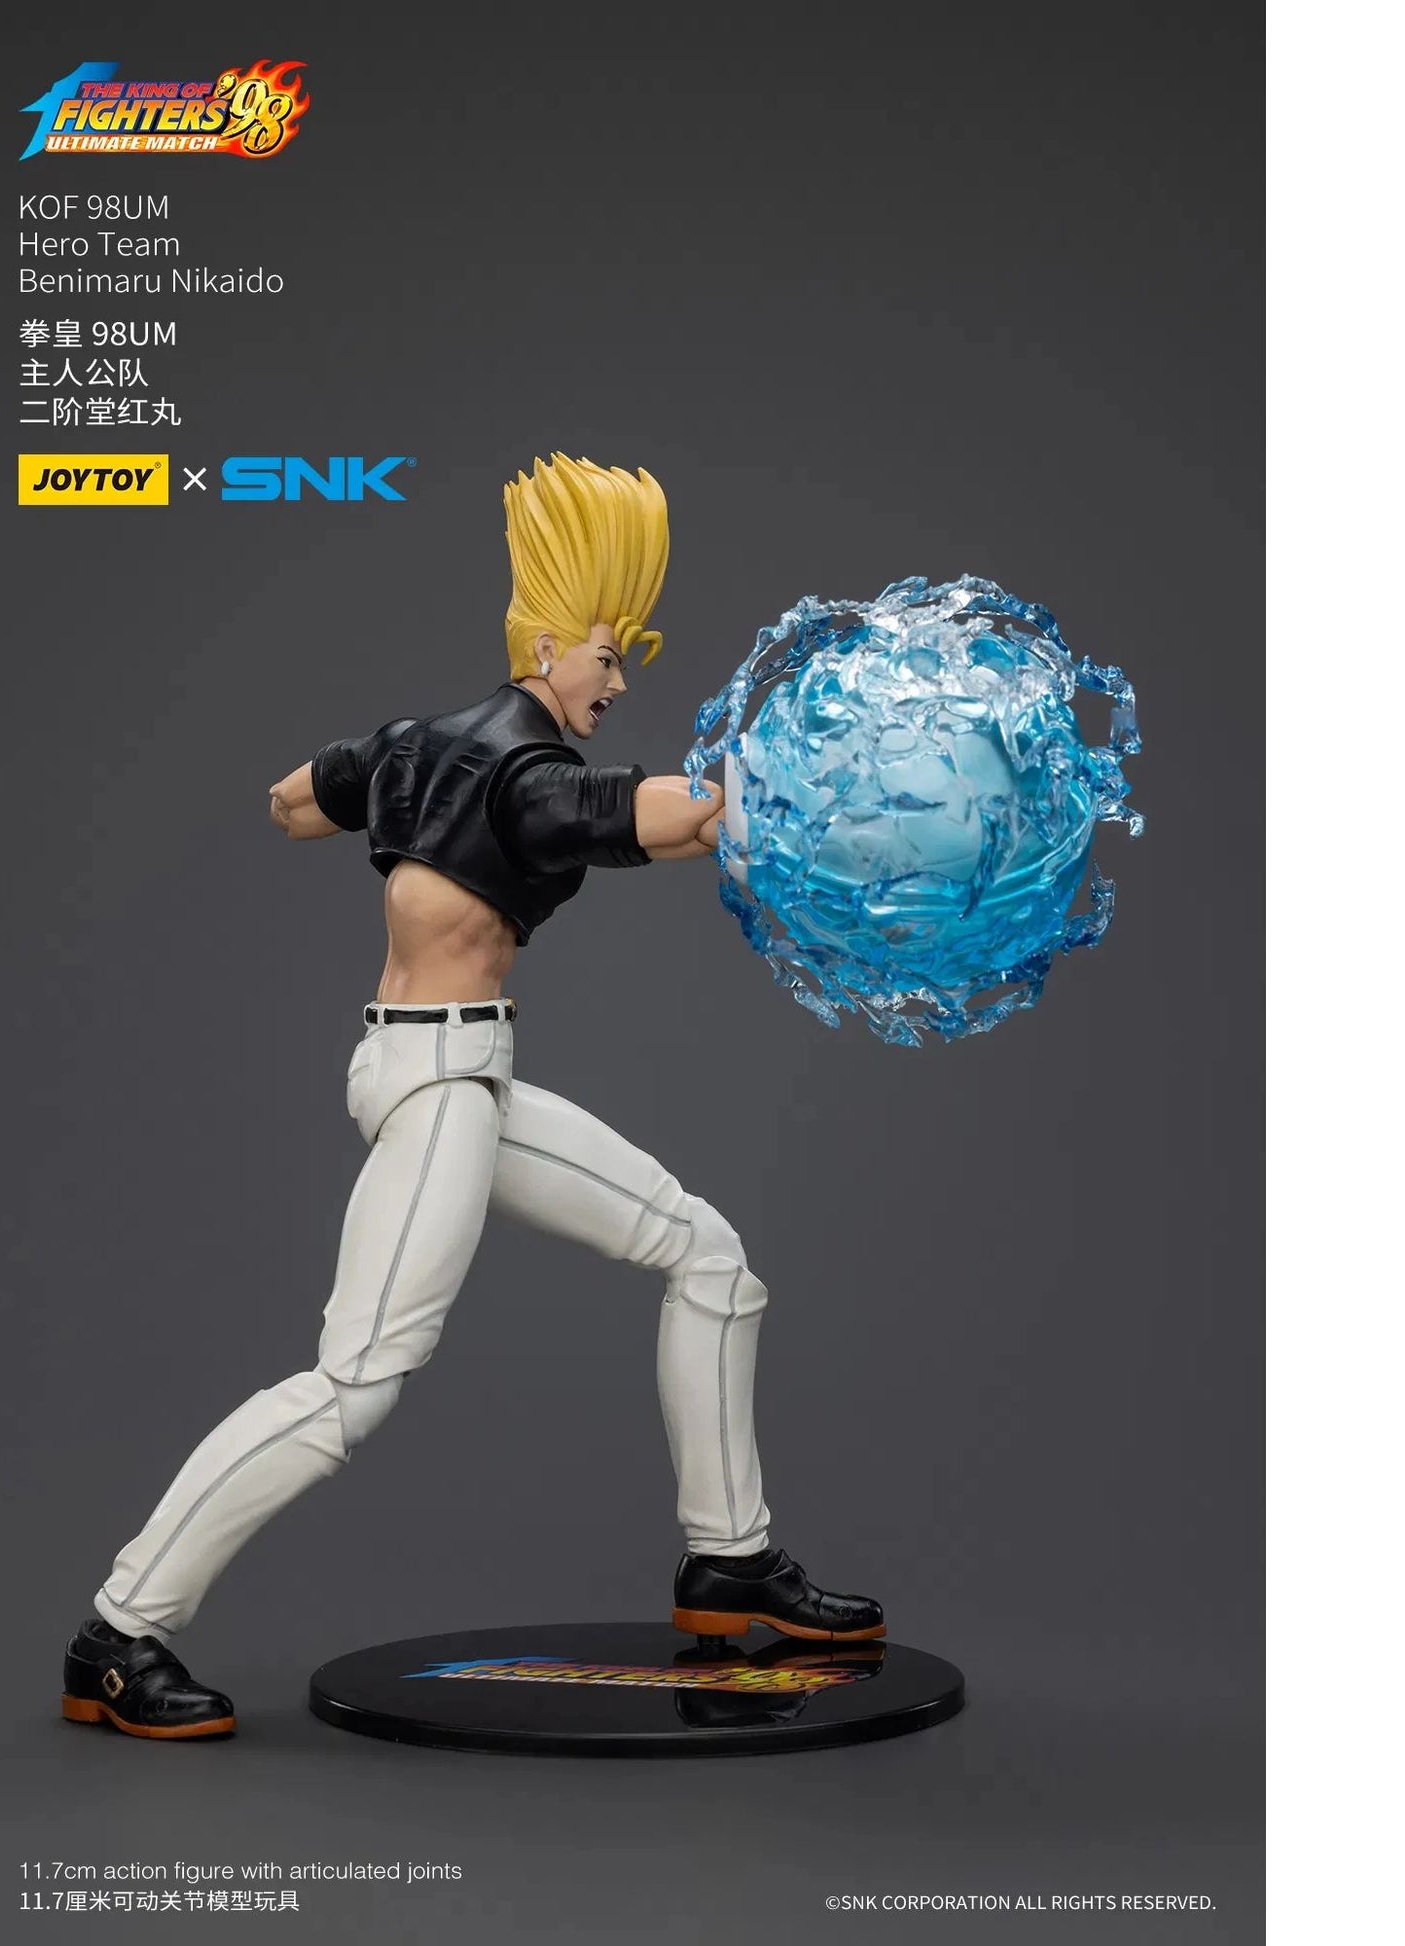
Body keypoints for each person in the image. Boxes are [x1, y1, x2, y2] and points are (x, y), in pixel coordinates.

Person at [61, 455, 883, 1741]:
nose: (618, 679)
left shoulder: (414, 744)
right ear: (546, 645)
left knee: (708, 1257)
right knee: (353, 1382)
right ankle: (118, 1631)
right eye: (606, 653)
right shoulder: (524, 773)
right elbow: (651, 815)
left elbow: (290, 803)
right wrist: (768, 801)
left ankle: (727, 1559)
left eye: (626, 656)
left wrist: (379, 803)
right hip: (439, 1084)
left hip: (456, 1069)